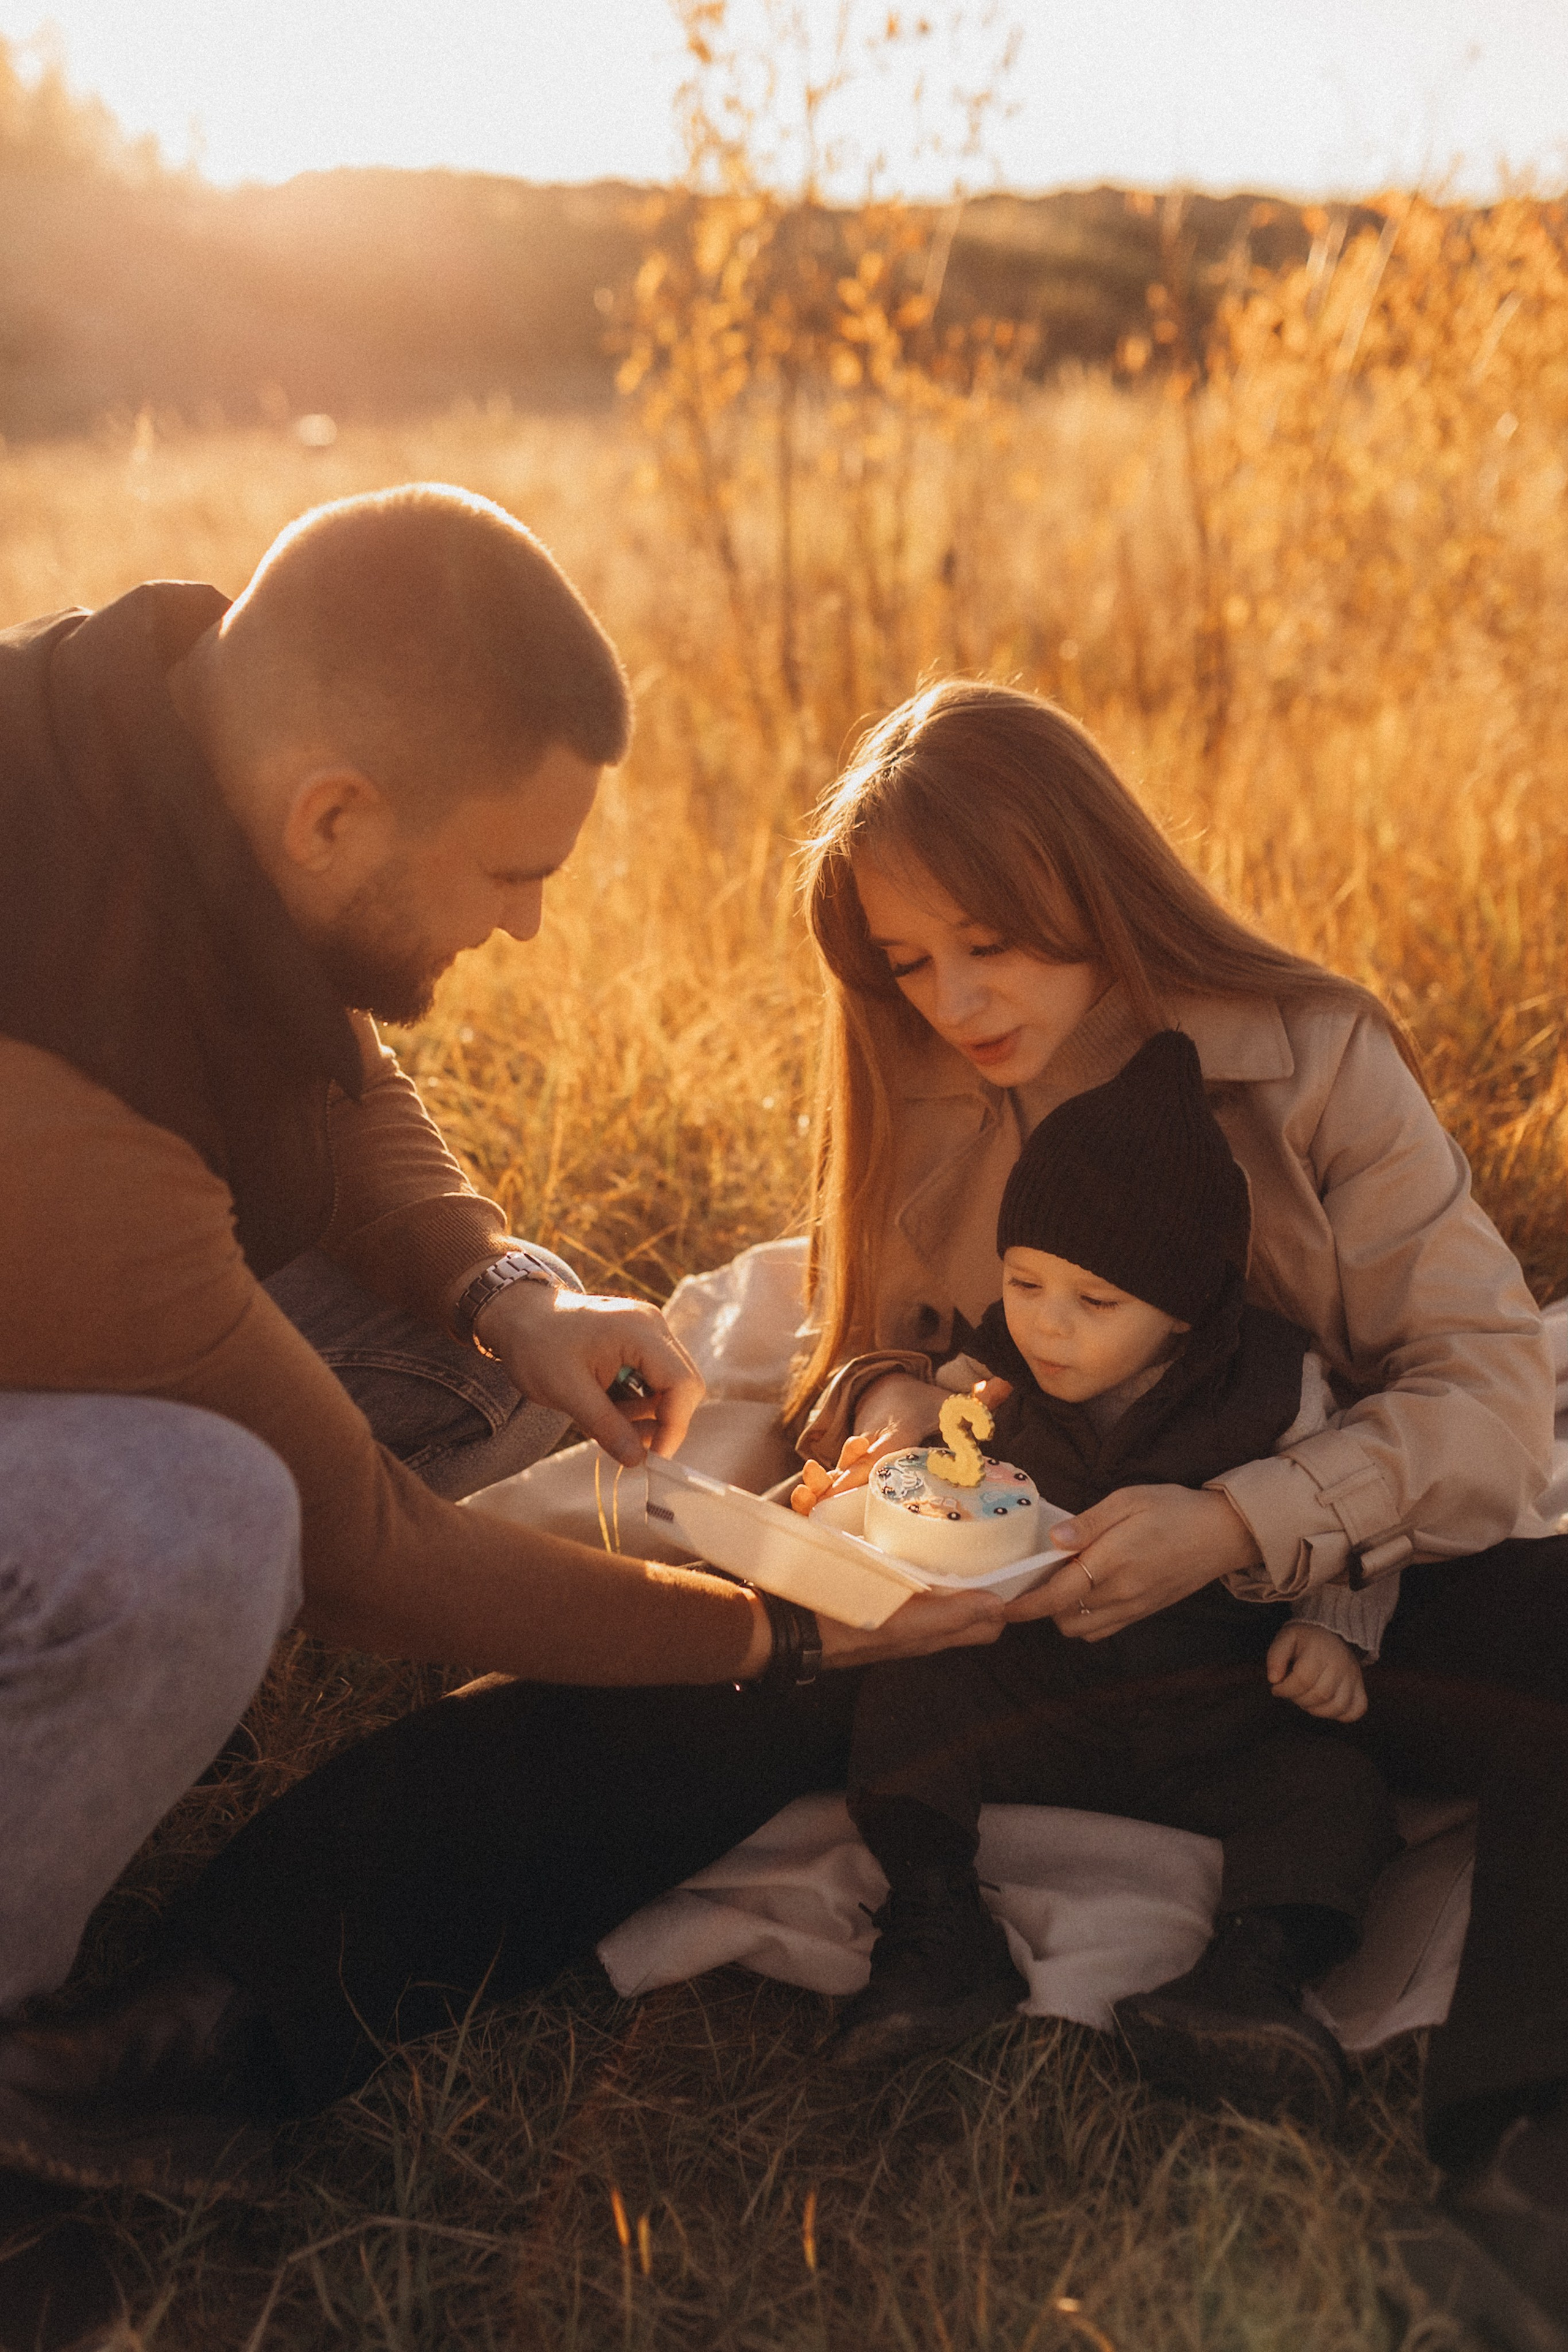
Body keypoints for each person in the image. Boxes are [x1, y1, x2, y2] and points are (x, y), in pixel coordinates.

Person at [0, 493, 1004, 2234]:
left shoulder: (153, 723)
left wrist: (506, 1292)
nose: (531, 929)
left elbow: (326, 1060)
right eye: (513, 877)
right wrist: (794, 1632)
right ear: (336, 814)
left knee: (467, 1383)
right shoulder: (53, 1055)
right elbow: (373, 1565)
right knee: (213, 1527)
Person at [782, 679, 1567, 2350]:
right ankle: (228, 2009)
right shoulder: (918, 1072)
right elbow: (859, 1345)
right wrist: (896, 1415)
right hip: (1009, 1610)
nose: (957, 999)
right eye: (910, 963)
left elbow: (1492, 1401)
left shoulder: (1312, 1057)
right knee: (695, 1659)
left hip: (1313, 1589)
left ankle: (1527, 2183)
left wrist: (1236, 1524)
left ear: (1096, 881)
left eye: (989, 940)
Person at [823, 1030, 1400, 2130]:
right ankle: (940, 1931)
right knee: (906, 1699)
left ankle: (1254, 1976)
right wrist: (891, 1467)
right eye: (1027, 1281)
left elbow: (1348, 1515)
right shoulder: (998, 1363)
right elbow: (924, 1446)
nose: (1047, 1322)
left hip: (1210, 1713)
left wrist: (1336, 1628)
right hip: (1040, 1693)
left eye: (1095, 1304)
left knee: (1336, 1786)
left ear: (1182, 1312)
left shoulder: (1276, 1385)